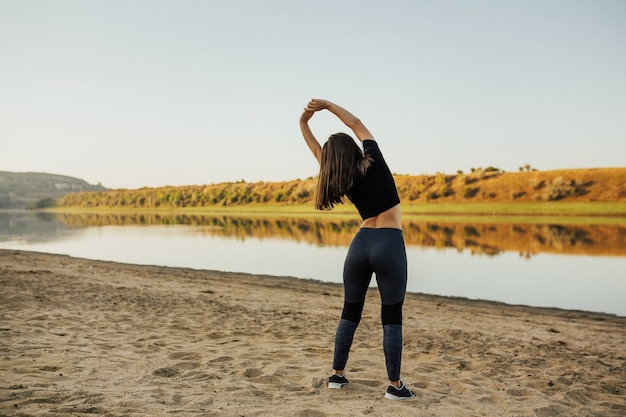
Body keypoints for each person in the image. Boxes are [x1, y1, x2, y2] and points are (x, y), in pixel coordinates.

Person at [299, 99, 415, 401]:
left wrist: (303, 123)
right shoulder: (373, 160)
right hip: (389, 243)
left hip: (360, 245)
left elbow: (316, 152)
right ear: (354, 149)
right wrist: (327, 106)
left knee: (350, 311)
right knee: (392, 315)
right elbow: (356, 123)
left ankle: (336, 376)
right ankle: (395, 386)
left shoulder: (342, 178)